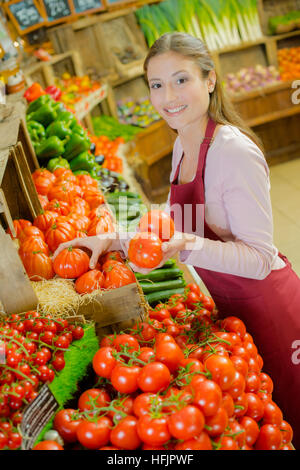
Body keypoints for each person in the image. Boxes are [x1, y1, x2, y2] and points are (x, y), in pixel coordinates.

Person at [53, 32, 300, 449]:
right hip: (233, 304)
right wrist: (112, 239)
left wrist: (185, 246)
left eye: (181, 80)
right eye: (156, 84)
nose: (168, 96)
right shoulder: (183, 143)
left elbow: (259, 258)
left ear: (209, 80)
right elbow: (178, 219)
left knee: (290, 415)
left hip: (270, 306)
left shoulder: (232, 152)